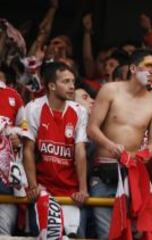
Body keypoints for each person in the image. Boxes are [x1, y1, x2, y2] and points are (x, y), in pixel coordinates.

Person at [87, 48, 152, 239]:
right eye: (148, 65)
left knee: (137, 234)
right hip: (104, 172)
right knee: (107, 235)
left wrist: (143, 156)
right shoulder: (110, 90)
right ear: (133, 68)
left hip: (133, 173)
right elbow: (92, 128)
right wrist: (111, 146)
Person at [23, 62, 89, 237]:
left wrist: (82, 189)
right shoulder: (34, 108)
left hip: (70, 193)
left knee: (73, 237)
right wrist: (33, 185)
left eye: (73, 81)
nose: (72, 86)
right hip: (44, 191)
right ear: (51, 86)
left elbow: (80, 151)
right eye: (65, 81)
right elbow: (28, 149)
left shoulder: (79, 111)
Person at [0, 77, 27, 235]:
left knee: (3, 232)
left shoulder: (13, 96)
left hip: (6, 180)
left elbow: (25, 133)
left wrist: (18, 139)